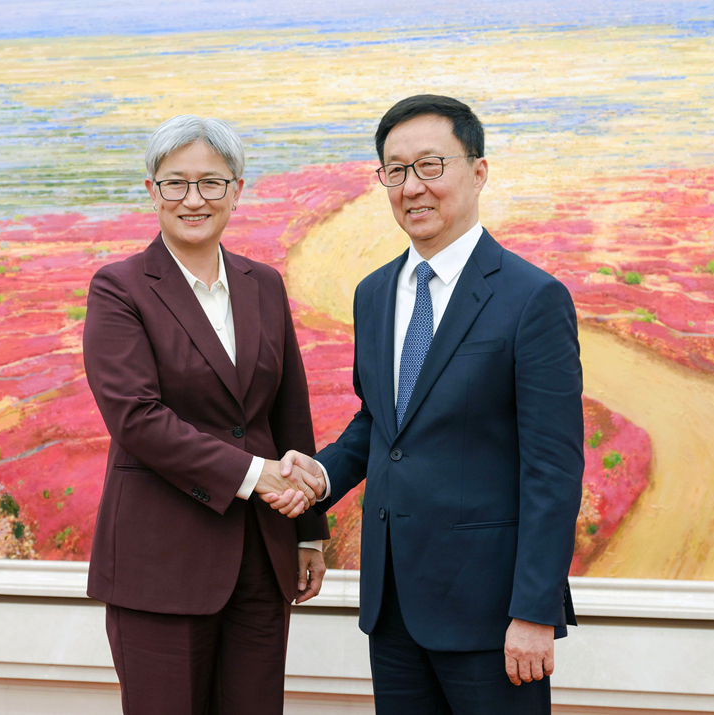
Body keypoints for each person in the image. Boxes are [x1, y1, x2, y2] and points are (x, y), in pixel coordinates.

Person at [268, 95, 584, 714]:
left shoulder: (533, 299)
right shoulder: (375, 293)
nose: (412, 187)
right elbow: (383, 425)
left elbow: (554, 470)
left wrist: (534, 612)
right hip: (393, 609)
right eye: (395, 170)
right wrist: (322, 476)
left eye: (431, 166)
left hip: (494, 618)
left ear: (479, 171)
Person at [82, 114, 329, 715]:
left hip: (262, 559)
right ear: (152, 191)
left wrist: (309, 531)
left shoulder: (263, 284)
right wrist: (255, 475)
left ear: (237, 191)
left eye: (212, 183)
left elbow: (288, 412)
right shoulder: (119, 288)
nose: (194, 199)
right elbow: (137, 418)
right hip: (162, 561)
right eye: (176, 183)